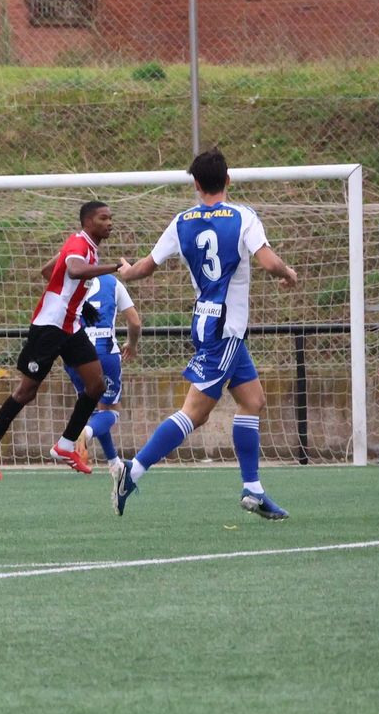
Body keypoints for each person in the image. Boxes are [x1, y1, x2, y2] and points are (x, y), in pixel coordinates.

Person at [110, 148, 298, 519]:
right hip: (225, 328)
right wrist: (287, 273)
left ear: (196, 184)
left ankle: (253, 490)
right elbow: (268, 261)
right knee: (195, 413)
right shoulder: (243, 216)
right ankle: (131, 472)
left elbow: (146, 267)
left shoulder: (181, 221)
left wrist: (126, 271)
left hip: (209, 323)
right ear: (228, 179)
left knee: (253, 400)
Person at [0, 201, 120, 480]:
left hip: (69, 325)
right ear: (89, 222)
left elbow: (49, 271)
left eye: (111, 218)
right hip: (49, 327)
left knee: (96, 385)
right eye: (104, 218)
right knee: (26, 392)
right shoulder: (80, 245)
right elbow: (75, 270)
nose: (110, 223)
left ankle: (65, 445)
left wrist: (78, 303)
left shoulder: (83, 244)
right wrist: (115, 267)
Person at [68, 271, 142, 484]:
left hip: (75, 353)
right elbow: (135, 323)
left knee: (94, 409)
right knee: (110, 411)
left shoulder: (70, 280)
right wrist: (132, 344)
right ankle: (86, 432)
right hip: (104, 353)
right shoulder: (112, 283)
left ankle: (114, 462)